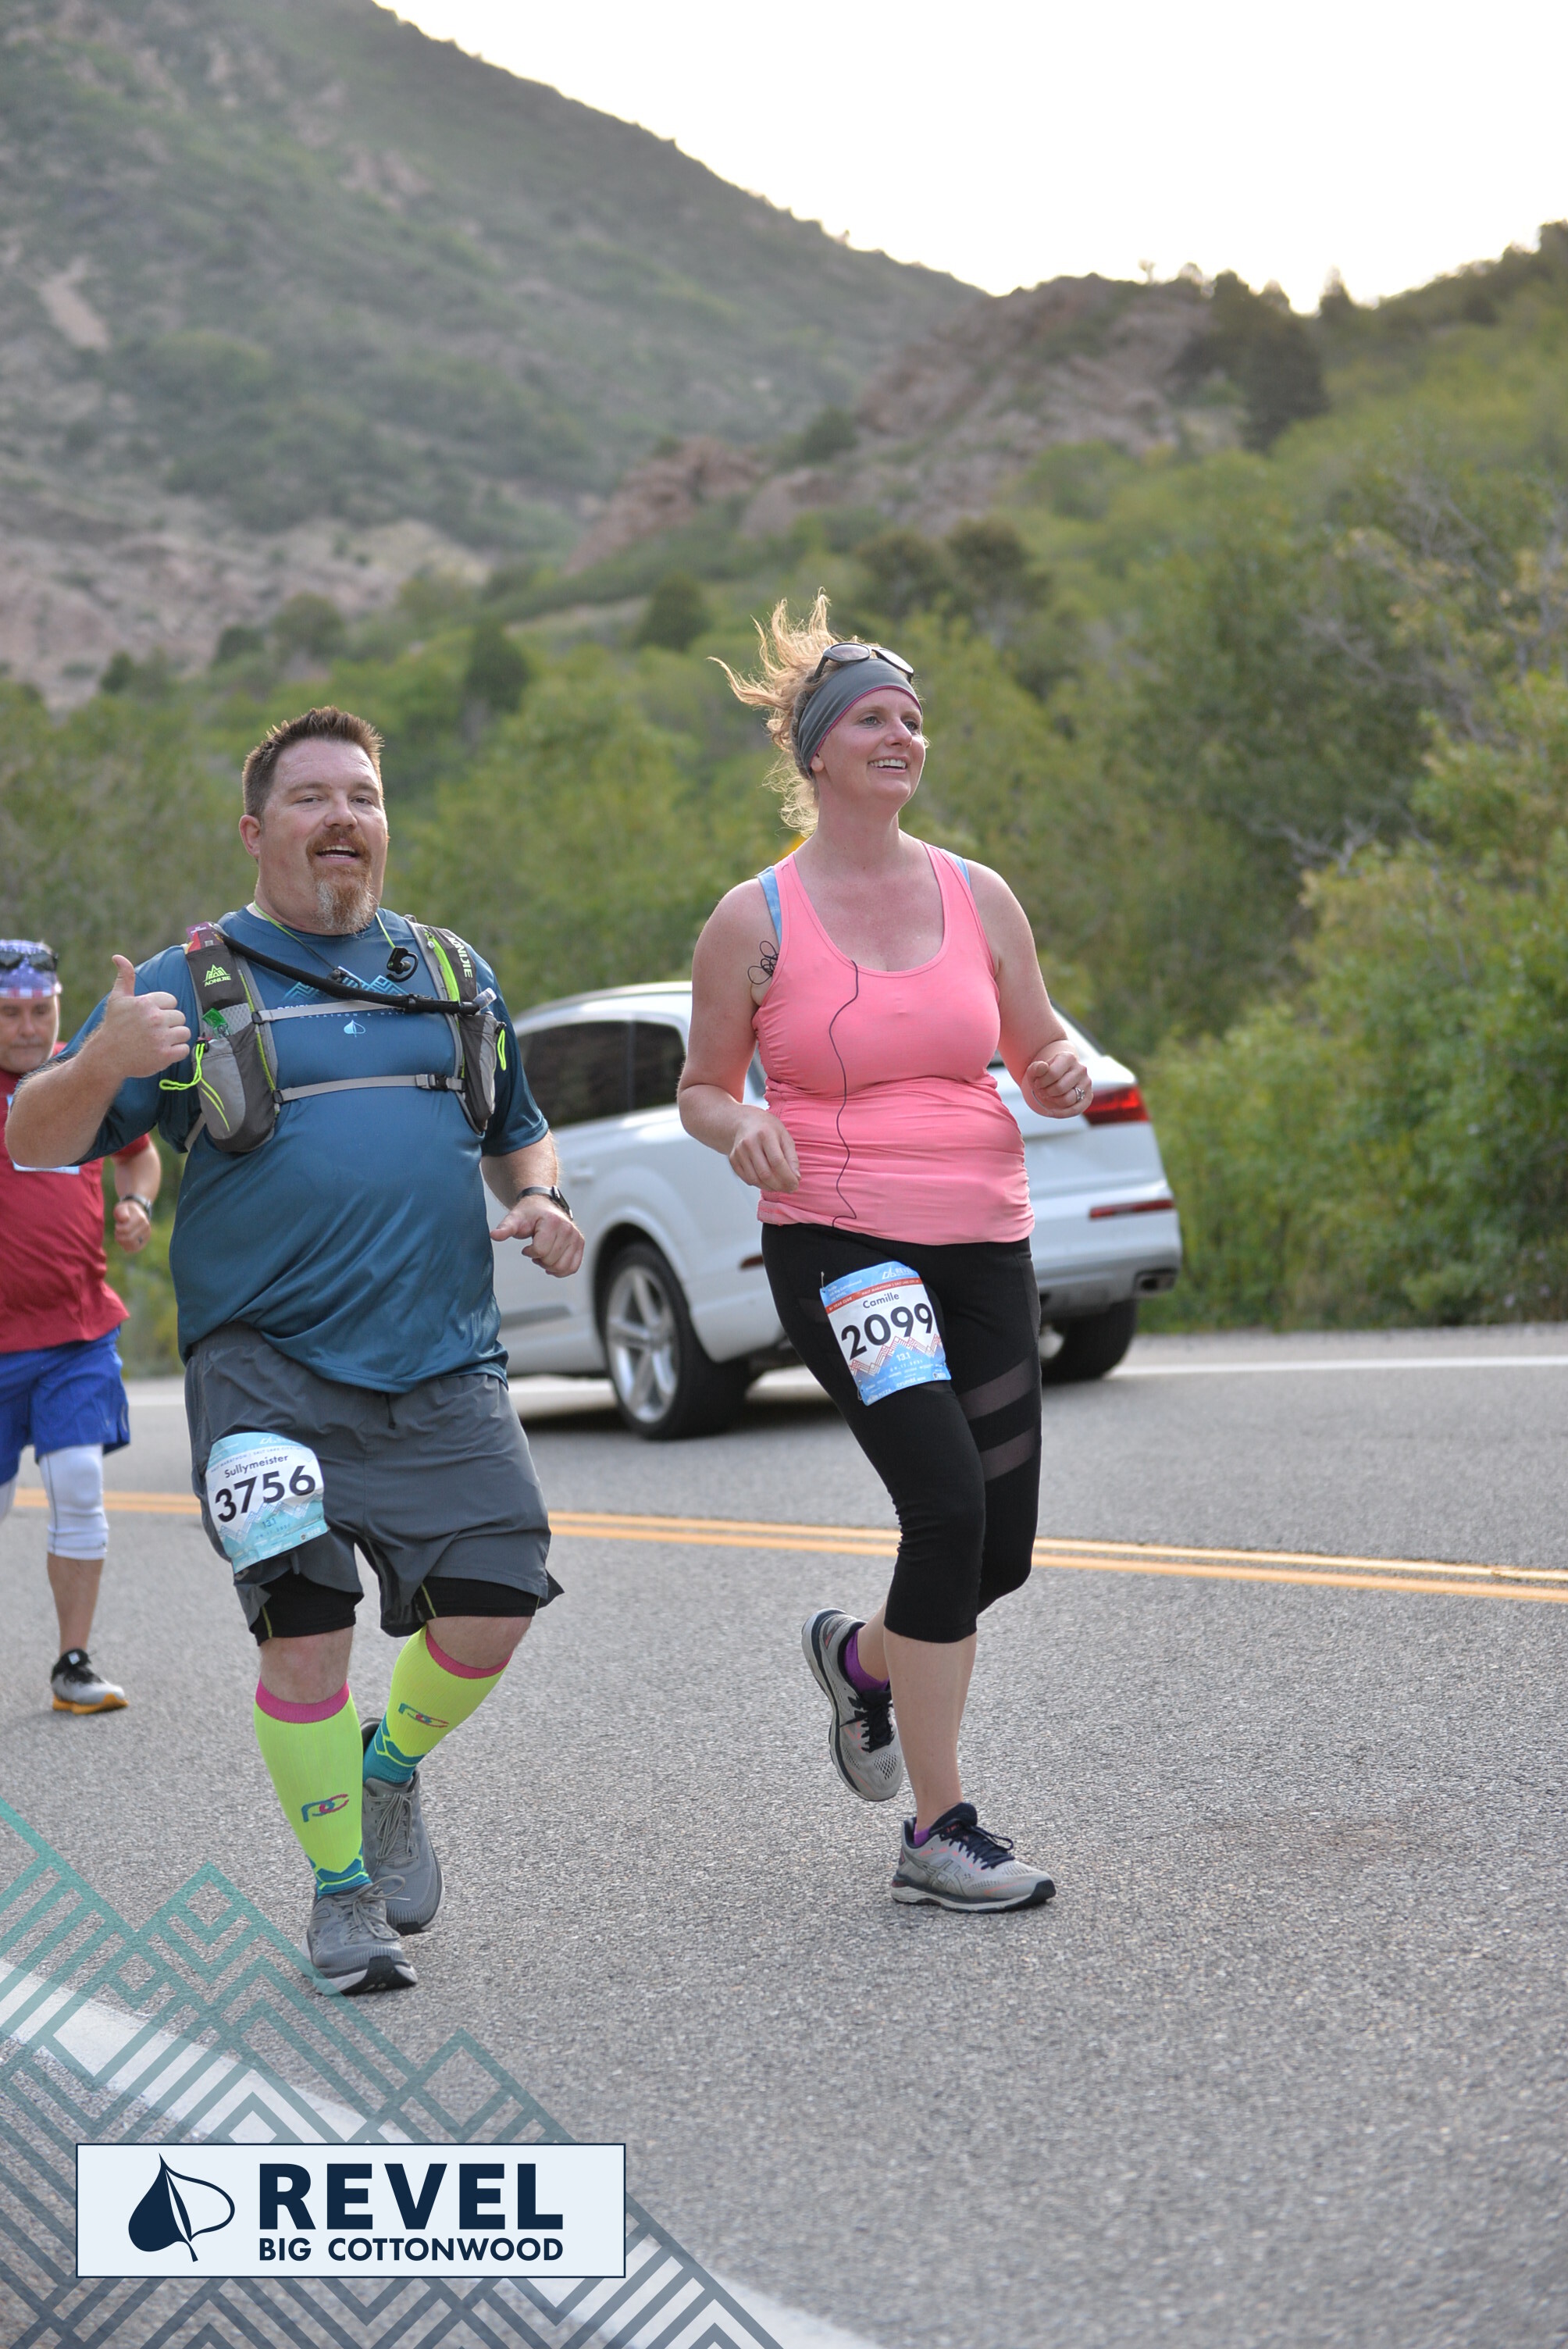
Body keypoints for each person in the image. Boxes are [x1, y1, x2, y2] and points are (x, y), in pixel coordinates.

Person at [6, 707, 583, 1994]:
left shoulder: (450, 969)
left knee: (495, 1607)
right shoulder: (186, 983)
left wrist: (542, 1198)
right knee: (305, 1628)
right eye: (313, 797)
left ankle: (388, 1769)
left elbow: (517, 1126)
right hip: (262, 1366)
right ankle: (341, 1897)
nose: (343, 818)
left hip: (443, 1361)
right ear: (256, 829)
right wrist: (99, 1059)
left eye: (363, 797)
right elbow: (34, 1141)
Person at [679, 601, 1092, 1912]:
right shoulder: (753, 919)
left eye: (912, 719)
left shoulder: (977, 894)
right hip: (841, 1239)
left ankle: (861, 1661)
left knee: (998, 1551)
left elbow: (1034, 1039)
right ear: (815, 751)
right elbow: (701, 1088)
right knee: (945, 1510)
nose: (901, 735)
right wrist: (741, 1124)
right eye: (871, 718)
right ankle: (937, 1828)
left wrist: (1059, 1066)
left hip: (982, 1236)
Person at [1, 939, 162, 1715]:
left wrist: (137, 1202)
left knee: (78, 1485)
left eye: (42, 1010)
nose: (29, 1027)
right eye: (10, 1014)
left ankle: (73, 1662)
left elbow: (139, 1155)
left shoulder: (81, 1074)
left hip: (76, 1331)